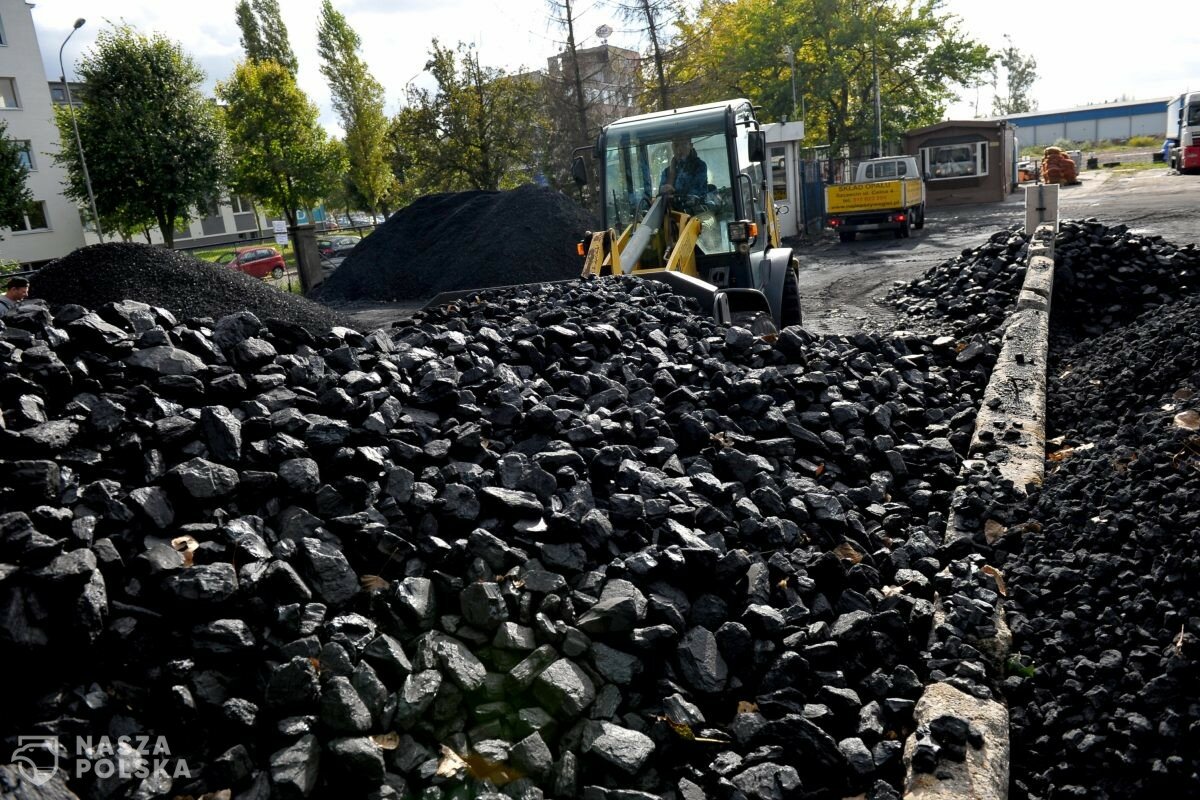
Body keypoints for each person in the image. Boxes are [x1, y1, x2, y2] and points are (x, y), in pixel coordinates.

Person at [659, 136, 709, 204]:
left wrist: (675, 192)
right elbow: (661, 198)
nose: (679, 150)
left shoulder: (699, 166)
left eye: (684, 144)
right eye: (676, 145)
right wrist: (664, 190)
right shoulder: (666, 172)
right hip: (672, 212)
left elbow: (694, 192)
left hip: (697, 211)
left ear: (691, 146)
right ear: (672, 147)